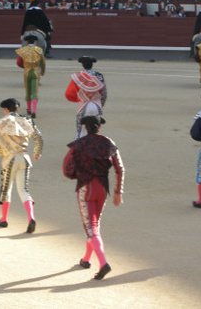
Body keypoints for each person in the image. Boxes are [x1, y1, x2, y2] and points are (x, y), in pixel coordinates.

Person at [63, 115, 125, 280]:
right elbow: (120, 168)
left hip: (86, 188)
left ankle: (103, 263)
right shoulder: (109, 143)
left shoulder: (78, 145)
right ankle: (86, 259)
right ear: (100, 128)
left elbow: (67, 169)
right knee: (94, 225)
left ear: (85, 128)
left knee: (91, 228)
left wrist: (78, 174)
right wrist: (118, 192)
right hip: (102, 189)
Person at [0, 98, 43, 233]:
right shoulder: (27, 121)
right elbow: (38, 137)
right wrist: (37, 152)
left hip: (10, 158)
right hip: (25, 158)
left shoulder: (1, 123)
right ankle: (31, 218)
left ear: (6, 109)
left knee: (6, 188)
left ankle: (4, 219)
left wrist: (0, 151)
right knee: (24, 190)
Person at [65, 56, 107, 140]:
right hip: (96, 105)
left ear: (82, 65)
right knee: (95, 130)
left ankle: (79, 150)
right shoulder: (99, 76)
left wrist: (79, 99)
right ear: (92, 65)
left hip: (83, 106)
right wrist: (100, 104)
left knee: (80, 132)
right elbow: (104, 93)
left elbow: (69, 93)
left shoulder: (78, 77)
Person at [15, 35, 46, 118]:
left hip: (27, 73)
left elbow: (18, 62)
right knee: (34, 92)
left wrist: (25, 66)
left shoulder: (23, 50)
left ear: (26, 42)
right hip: (36, 73)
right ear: (35, 42)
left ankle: (29, 110)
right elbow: (43, 63)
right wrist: (43, 71)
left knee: (28, 92)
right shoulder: (39, 50)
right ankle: (34, 112)